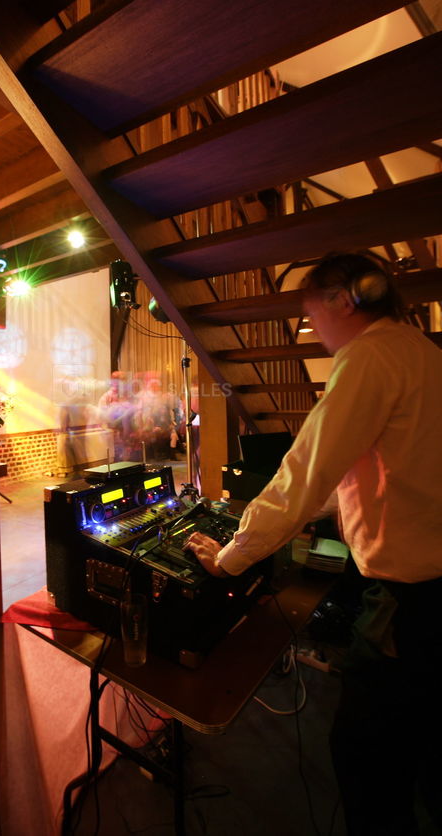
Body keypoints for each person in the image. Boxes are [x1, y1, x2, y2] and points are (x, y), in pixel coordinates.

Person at [185, 252, 442, 836]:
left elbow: (304, 473)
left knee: (366, 759)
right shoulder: (423, 352)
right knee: (425, 749)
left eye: (310, 316)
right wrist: (263, 526)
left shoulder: (369, 356)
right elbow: (361, 472)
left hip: (411, 602)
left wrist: (231, 556)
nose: (313, 331)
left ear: (342, 300)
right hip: (432, 593)